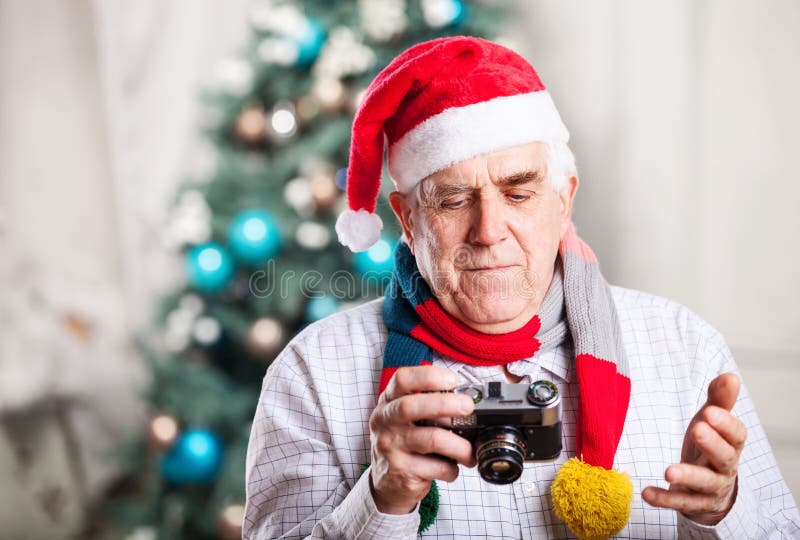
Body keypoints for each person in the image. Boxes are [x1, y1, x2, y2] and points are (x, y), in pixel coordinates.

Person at [243, 36, 799, 539]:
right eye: (454, 199)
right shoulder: (313, 375)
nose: (488, 232)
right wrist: (380, 502)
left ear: (563, 200)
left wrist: (723, 513)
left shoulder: (684, 349)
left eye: (519, 192)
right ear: (409, 221)